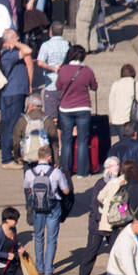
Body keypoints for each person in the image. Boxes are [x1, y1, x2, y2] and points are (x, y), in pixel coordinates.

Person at [23, 144, 69, 275]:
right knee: (51, 239)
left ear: (38, 157)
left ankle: (39, 266)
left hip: (37, 208)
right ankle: (49, 269)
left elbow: (28, 188)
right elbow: (66, 190)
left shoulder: (29, 172)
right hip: (53, 206)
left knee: (38, 237)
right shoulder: (56, 172)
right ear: (49, 157)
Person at [76, 156, 124, 275]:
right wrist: (99, 219)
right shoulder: (101, 183)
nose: (117, 167)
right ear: (107, 168)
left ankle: (119, 273)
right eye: (114, 165)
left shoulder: (122, 182)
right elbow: (95, 204)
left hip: (115, 222)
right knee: (92, 249)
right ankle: (83, 274)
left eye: (118, 165)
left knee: (116, 249)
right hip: (98, 222)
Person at [54, 44, 98, 179]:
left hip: (66, 108)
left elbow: (58, 86)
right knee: (83, 140)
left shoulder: (63, 70)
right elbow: (94, 86)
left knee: (66, 140)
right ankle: (82, 172)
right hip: (83, 108)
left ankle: (66, 171)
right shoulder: (87, 71)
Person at [0, 29, 35, 169]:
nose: (18, 38)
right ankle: (7, 159)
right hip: (13, 94)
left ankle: (11, 156)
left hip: (13, 93)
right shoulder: (9, 54)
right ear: (9, 40)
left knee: (9, 125)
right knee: (11, 126)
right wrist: (17, 44)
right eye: (15, 36)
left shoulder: (9, 53)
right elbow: (28, 50)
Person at [36, 21, 70, 119]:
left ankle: (54, 134)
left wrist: (53, 68)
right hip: (65, 85)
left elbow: (40, 62)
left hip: (51, 86)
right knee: (65, 116)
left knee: (51, 118)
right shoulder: (67, 44)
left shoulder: (46, 45)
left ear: (50, 32)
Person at [12, 92, 58, 165]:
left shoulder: (23, 120)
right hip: (45, 158)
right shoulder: (48, 120)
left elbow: (17, 140)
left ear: (30, 105)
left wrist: (17, 155)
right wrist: (56, 161)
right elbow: (54, 143)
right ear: (41, 106)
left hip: (28, 157)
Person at [107, 64, 138, 144]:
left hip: (118, 120)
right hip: (132, 120)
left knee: (123, 143)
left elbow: (111, 102)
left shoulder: (115, 84)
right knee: (135, 143)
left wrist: (113, 117)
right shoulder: (136, 84)